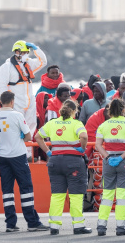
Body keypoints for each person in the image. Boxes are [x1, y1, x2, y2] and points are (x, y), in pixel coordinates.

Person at [0, 91, 48, 232]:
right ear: (12, 101)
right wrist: (19, 138)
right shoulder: (17, 115)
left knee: (7, 191)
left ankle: (10, 224)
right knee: (26, 188)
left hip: (3, 156)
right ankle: (32, 222)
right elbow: (29, 137)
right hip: (18, 155)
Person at [35, 99, 91, 235]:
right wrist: (82, 149)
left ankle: (54, 226)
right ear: (74, 111)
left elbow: (37, 136)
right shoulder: (76, 123)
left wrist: (48, 152)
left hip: (55, 161)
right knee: (76, 195)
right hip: (73, 162)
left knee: (57, 195)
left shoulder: (52, 123)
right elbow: (83, 136)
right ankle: (78, 226)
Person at [0, 40, 47, 158]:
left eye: (27, 52)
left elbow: (43, 61)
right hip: (15, 102)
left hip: (29, 102)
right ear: (17, 52)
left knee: (31, 126)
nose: (26, 54)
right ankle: (17, 153)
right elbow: (1, 86)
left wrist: (36, 48)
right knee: (16, 127)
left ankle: (28, 154)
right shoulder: (6, 67)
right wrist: (7, 102)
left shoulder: (28, 65)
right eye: (24, 52)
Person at [95, 99, 125, 236]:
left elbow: (98, 145)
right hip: (124, 161)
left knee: (107, 194)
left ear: (109, 111)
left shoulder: (103, 125)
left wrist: (107, 157)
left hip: (108, 161)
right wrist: (121, 157)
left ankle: (101, 226)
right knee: (121, 195)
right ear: (123, 110)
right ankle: (120, 227)